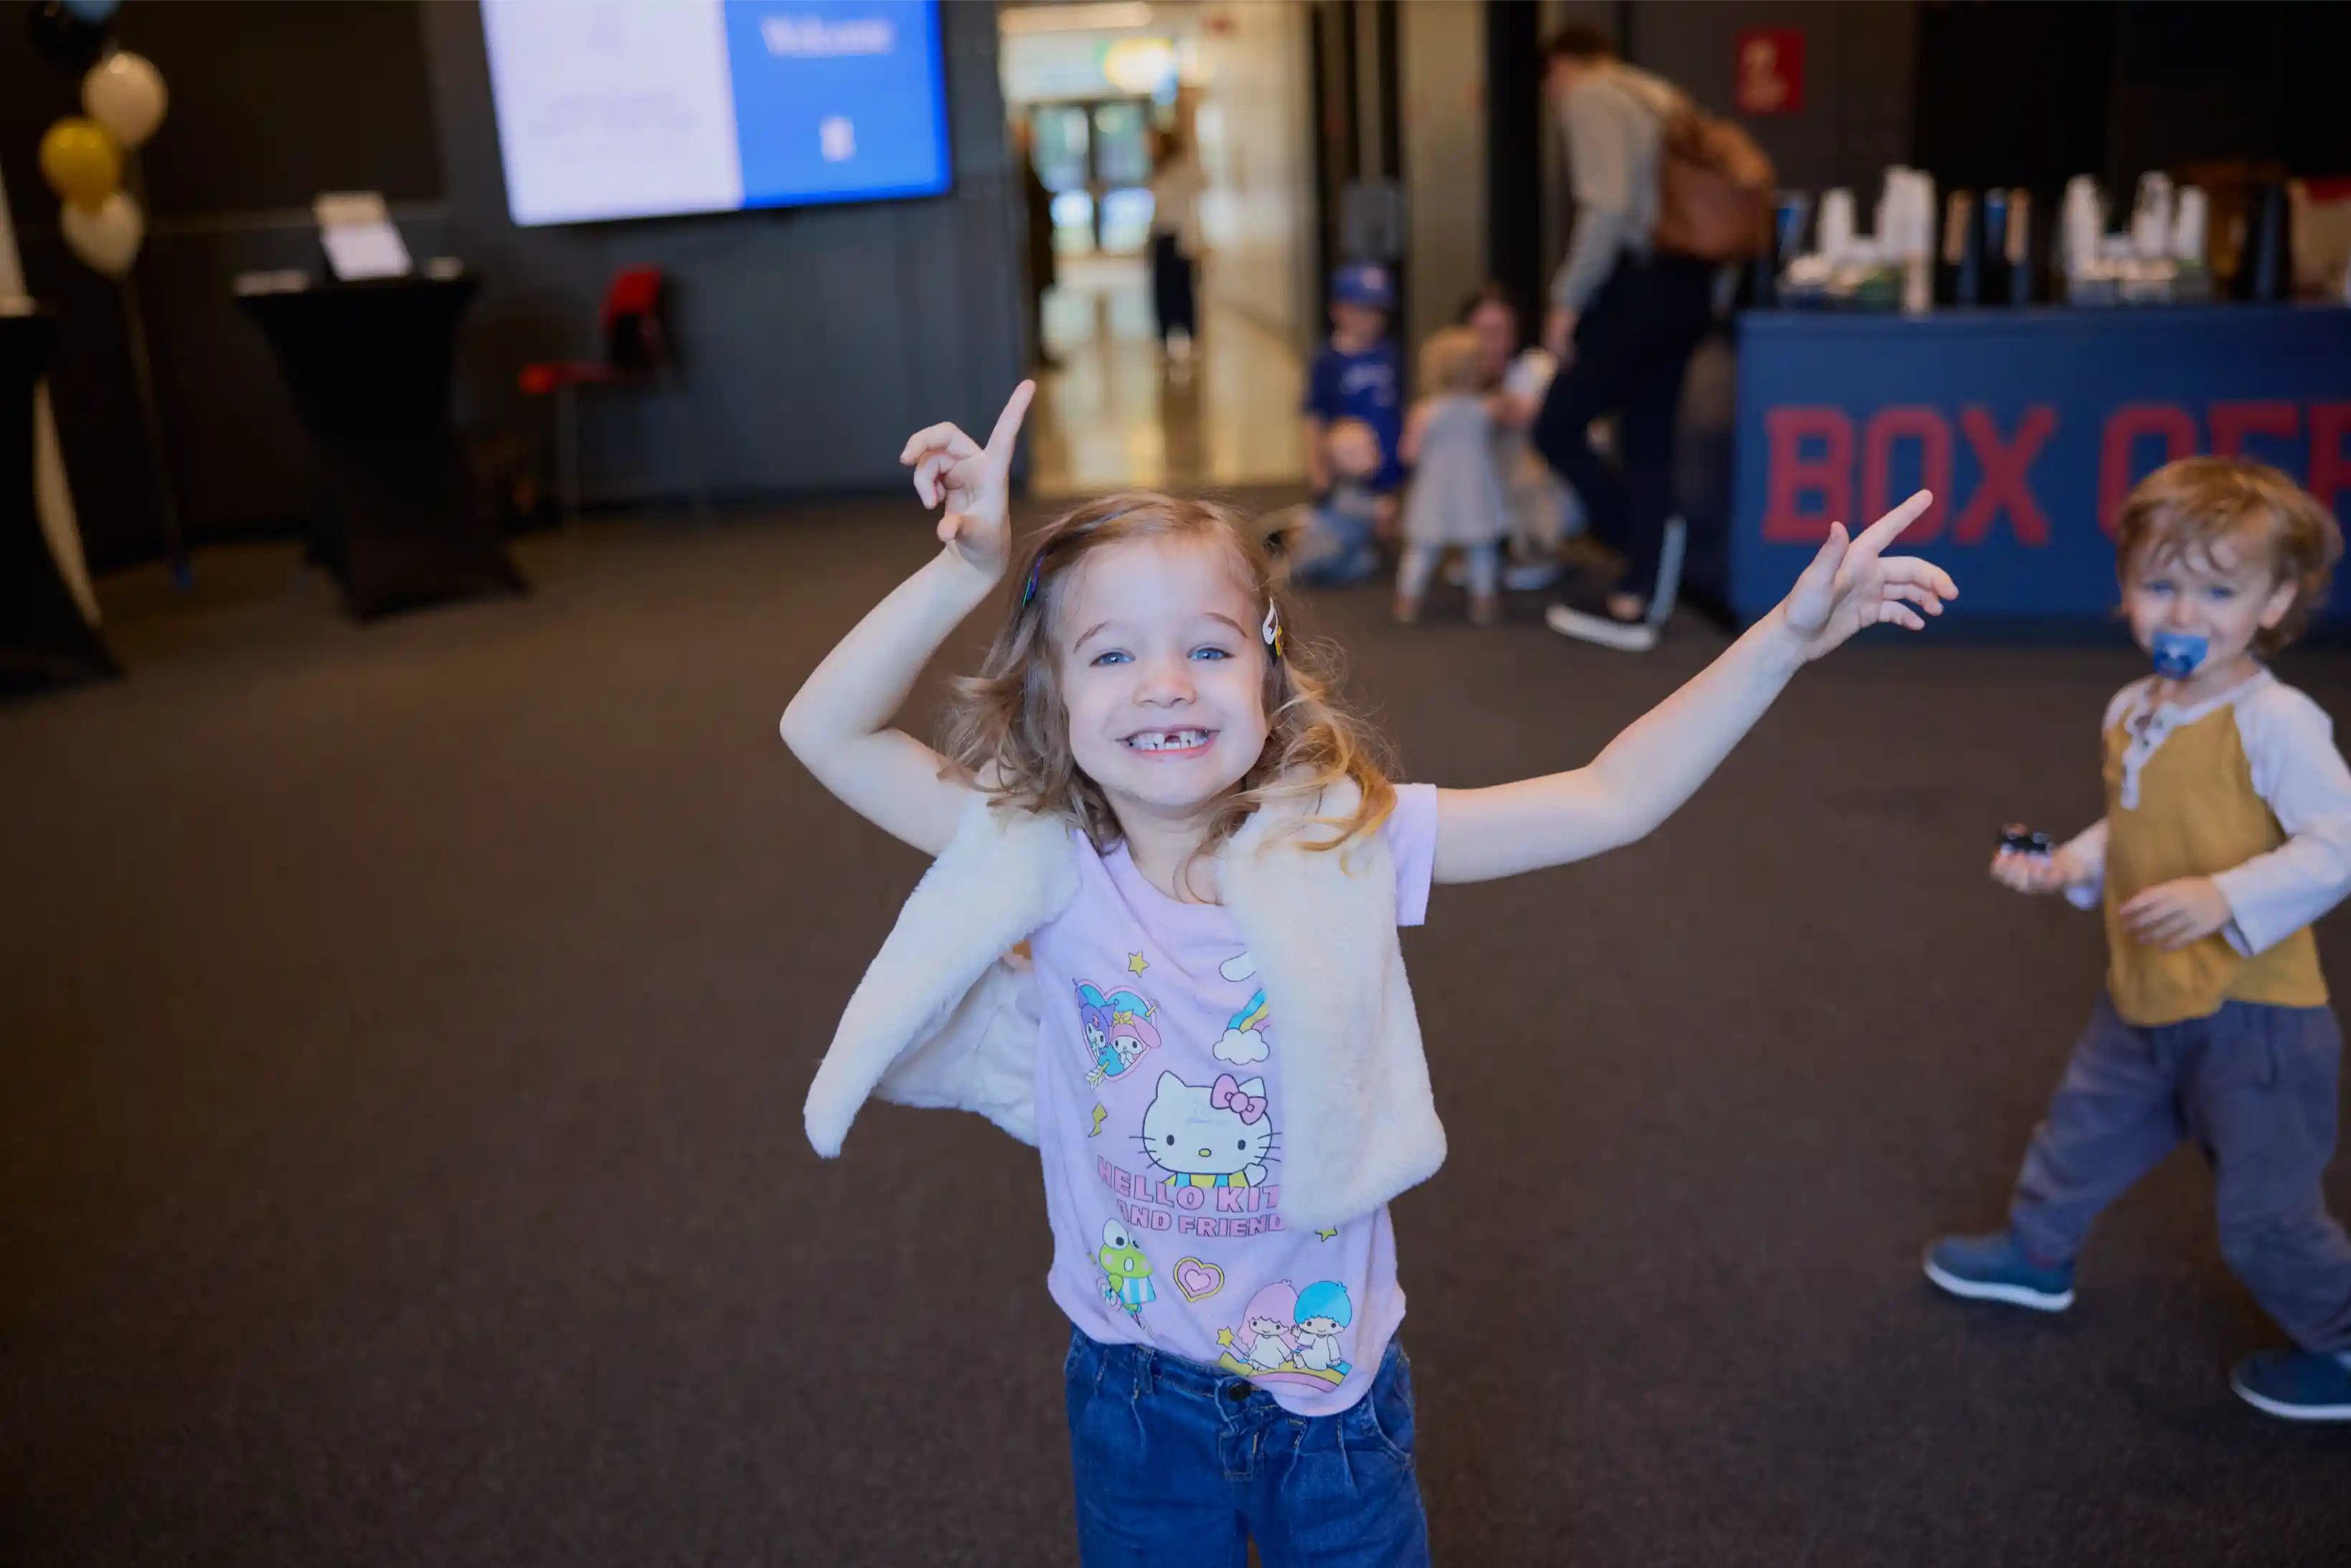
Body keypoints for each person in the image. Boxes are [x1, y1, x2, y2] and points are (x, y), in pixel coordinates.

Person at [781, 377, 1955, 1564]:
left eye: (1207, 646)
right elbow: (824, 732)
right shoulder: (1041, 849)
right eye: (1112, 653)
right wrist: (961, 568)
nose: (1166, 683)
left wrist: (1782, 639)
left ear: (1266, 672)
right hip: (1131, 1391)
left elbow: (1611, 796)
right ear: (1052, 694)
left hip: (1328, 1403)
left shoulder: (1341, 840)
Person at [1925, 458, 2351, 1422]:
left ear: (2274, 601)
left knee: (2264, 1218)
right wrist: (2070, 863)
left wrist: (2224, 894)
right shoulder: (2134, 708)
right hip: (2143, 994)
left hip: (2256, 1021)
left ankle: (2341, 1336)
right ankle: (2037, 1255)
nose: (2182, 616)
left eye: (2217, 591)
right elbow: (2135, 821)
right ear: (2123, 587)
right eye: (2158, 585)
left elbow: (2339, 839)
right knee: (2078, 1132)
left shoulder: (2276, 720)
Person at [1532, 24, 1719, 654]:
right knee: (1647, 435)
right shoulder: (1656, 93)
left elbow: (1606, 209)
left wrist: (1565, 302)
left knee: (1556, 422)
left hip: (1637, 285)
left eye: (1549, 83)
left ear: (1562, 66)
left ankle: (1642, 553)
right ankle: (1642, 588)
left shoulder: (1590, 96)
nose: (1553, 97)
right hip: (1687, 285)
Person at [1394, 327, 1512, 625]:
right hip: (1475, 490)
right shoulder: (1485, 409)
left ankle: (1408, 600)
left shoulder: (1424, 412)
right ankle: (1483, 601)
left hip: (1436, 492)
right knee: (1482, 548)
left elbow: (1409, 453)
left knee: (1422, 548)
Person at [1461, 282, 1573, 591]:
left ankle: (1536, 551)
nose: (1491, 343)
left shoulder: (1536, 367)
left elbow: (1527, 415)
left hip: (1548, 481)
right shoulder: (1457, 375)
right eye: (1481, 332)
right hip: (1493, 480)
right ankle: (1484, 547)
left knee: (1513, 448)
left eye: (1501, 331)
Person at [1302, 263, 1405, 509]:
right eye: (1361, 309)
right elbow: (1313, 417)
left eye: (1377, 311)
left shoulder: (1390, 353)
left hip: (1388, 468)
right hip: (1345, 470)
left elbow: (1399, 406)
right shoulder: (1328, 361)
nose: (1370, 319)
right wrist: (1317, 469)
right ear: (1338, 310)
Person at [1282, 417, 1386, 587]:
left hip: (1348, 543)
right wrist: (1378, 509)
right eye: (1364, 452)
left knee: (1366, 561)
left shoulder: (1360, 486)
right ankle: (1298, 568)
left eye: (1372, 448)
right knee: (1330, 556)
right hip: (1330, 541)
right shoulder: (1344, 489)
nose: (1374, 455)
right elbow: (1353, 506)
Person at [1148, 126, 1204, 361]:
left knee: (1182, 291)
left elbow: (1189, 206)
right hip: (1161, 237)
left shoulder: (1182, 173)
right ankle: (1164, 339)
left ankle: (1189, 337)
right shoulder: (1159, 173)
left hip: (1178, 238)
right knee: (1162, 292)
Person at [1013, 119, 1060, 372]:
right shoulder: (1016, 171)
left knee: (1037, 304)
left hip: (1038, 248)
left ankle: (1038, 350)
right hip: (1029, 250)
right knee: (1030, 305)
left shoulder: (1027, 167)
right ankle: (1033, 352)